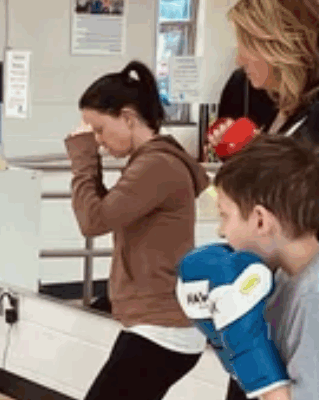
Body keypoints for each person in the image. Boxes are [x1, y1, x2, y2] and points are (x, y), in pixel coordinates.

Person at [209, 0, 319, 391]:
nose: (240, 59)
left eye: (247, 44)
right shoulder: (288, 113)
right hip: (282, 304)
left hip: (306, 308)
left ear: (279, 45)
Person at [186, 134, 319, 400]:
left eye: (225, 216)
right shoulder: (285, 276)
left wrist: (249, 355)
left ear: (260, 220)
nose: (221, 230)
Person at [67, 60, 211, 400]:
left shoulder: (156, 165)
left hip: (162, 329)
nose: (98, 141)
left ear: (128, 118)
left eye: (100, 129)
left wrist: (83, 158)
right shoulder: (151, 161)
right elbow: (105, 214)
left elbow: (93, 220)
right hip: (159, 326)